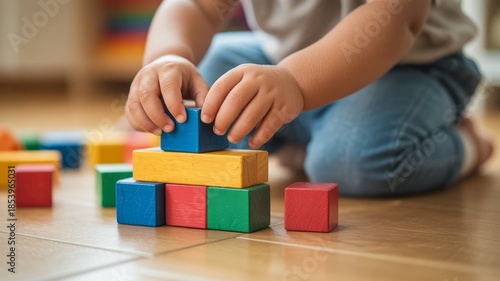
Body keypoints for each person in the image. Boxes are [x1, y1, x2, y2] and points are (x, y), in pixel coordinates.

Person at [125, 0, 493, 197]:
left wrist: (294, 80)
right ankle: (304, 144)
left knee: (352, 165)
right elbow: (199, 7)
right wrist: (167, 57)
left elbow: (398, 19)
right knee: (213, 71)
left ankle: (468, 145)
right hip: (282, 65)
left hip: (410, 68)